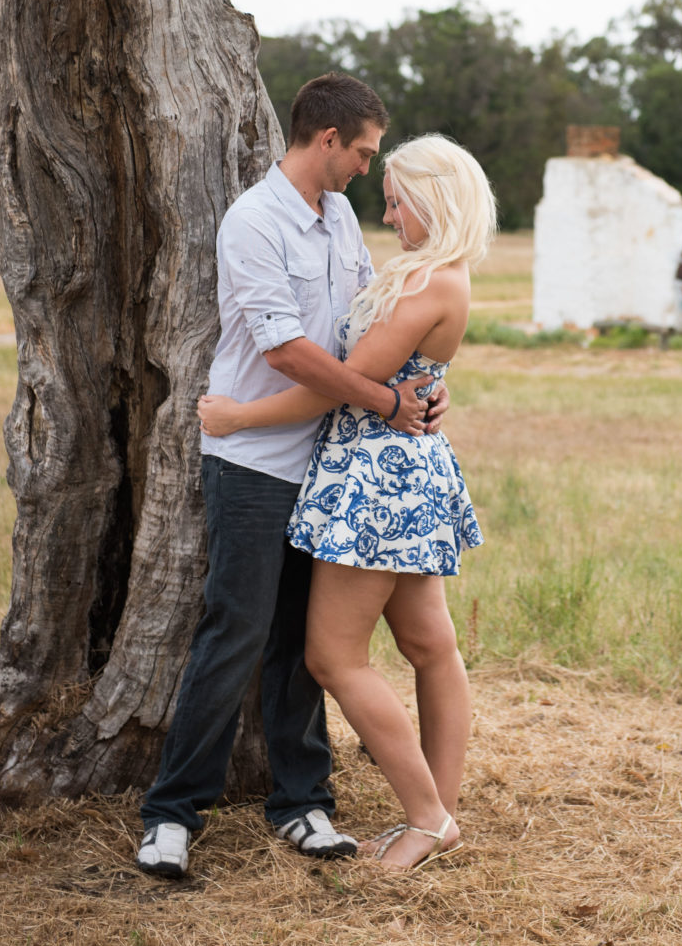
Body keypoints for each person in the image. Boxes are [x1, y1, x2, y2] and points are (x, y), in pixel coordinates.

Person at [136, 74, 447, 881]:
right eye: (366, 153)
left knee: (303, 643)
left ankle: (303, 804)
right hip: (252, 464)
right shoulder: (254, 222)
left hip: (329, 469)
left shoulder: (340, 219)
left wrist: (422, 384)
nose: (368, 172)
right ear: (328, 140)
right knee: (234, 632)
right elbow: (284, 350)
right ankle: (172, 813)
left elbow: (363, 326)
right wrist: (385, 400)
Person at [196, 133, 495, 872]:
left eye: (398, 198)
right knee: (430, 645)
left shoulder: (433, 282)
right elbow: (390, 375)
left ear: (433, 198)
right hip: (401, 470)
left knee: (332, 656)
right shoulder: (431, 274)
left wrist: (239, 417)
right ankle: (438, 815)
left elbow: (340, 383)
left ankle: (428, 818)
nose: (388, 211)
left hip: (377, 482)